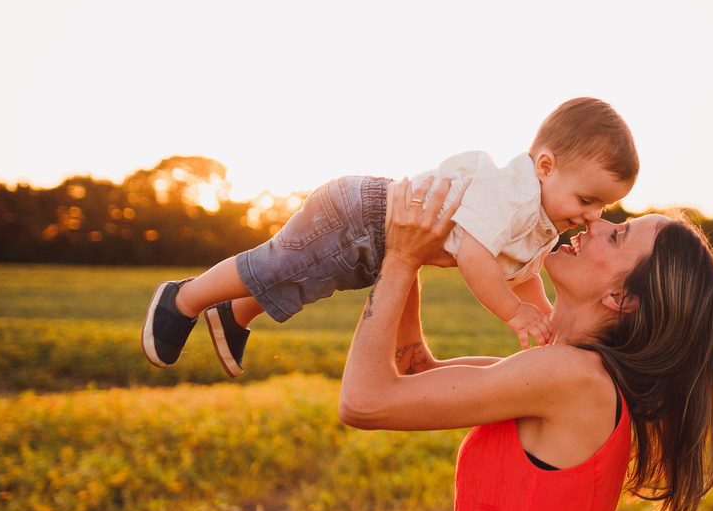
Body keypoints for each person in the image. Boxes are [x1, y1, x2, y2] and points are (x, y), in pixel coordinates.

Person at [339, 175, 713, 511]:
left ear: (622, 298)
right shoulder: (567, 374)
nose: (596, 222)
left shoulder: (568, 378)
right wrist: (410, 258)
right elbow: (416, 372)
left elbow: (364, 402)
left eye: (616, 236)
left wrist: (397, 258)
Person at [140, 97, 638, 376]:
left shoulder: (543, 223)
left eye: (603, 207)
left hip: (386, 238)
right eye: (586, 200)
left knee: (306, 280)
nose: (593, 217)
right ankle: (183, 299)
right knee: (279, 264)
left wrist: (546, 324)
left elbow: (525, 278)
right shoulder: (514, 194)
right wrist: (514, 315)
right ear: (545, 167)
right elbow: (475, 257)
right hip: (363, 212)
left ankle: (235, 312)